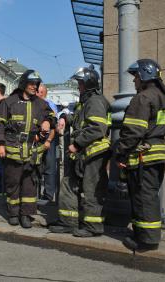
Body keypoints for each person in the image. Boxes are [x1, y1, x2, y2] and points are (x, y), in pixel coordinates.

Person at [116, 59, 165, 251]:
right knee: (149, 196)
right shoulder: (164, 97)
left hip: (144, 156)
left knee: (143, 197)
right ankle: (142, 232)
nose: (134, 81)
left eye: (135, 77)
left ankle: (147, 241)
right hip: (158, 153)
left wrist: (121, 152)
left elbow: (133, 131)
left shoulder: (142, 98)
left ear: (143, 76)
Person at [49, 65, 111, 237]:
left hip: (93, 153)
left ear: (88, 83)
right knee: (68, 184)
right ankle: (68, 222)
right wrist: (63, 118)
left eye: (80, 83)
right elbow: (76, 119)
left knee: (92, 189)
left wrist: (76, 144)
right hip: (83, 153)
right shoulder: (85, 102)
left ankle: (94, 227)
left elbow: (97, 128)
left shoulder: (95, 101)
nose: (78, 86)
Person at [0, 70, 56, 228]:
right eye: (31, 83)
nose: (34, 87)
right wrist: (0, 144)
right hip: (12, 149)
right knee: (13, 182)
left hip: (32, 151)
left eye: (36, 84)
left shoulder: (41, 103)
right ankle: (13, 213)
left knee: (29, 183)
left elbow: (52, 115)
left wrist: (49, 121)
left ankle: (26, 214)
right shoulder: (9, 102)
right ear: (23, 83)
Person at [36, 84, 58, 201]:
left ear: (43, 93)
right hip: (38, 139)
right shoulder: (35, 104)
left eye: (38, 92)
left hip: (49, 139)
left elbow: (54, 125)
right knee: (36, 166)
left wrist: (49, 140)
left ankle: (48, 195)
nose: (36, 94)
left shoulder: (50, 105)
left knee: (49, 168)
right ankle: (35, 194)